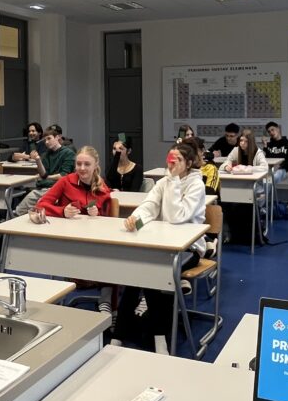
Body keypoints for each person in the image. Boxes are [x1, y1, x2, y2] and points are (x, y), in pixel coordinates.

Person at [110, 143, 207, 355]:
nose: (172, 163)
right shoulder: (164, 182)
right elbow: (149, 206)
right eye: (171, 158)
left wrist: (174, 180)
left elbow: (176, 217)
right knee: (137, 273)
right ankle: (123, 335)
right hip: (162, 245)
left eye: (178, 160)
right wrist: (135, 219)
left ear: (189, 163)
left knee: (151, 273)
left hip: (188, 248)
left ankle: (154, 336)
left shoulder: (196, 185)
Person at [28, 147, 116, 315]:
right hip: (69, 241)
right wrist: (62, 211)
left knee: (113, 257)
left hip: (94, 241)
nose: (82, 168)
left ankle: (106, 302)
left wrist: (97, 213)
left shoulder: (102, 187)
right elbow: (41, 204)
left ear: (96, 165)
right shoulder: (66, 181)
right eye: (78, 164)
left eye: (87, 164)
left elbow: (108, 219)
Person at [14, 125, 76, 217]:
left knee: (39, 209)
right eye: (45, 140)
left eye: (49, 139)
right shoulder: (46, 154)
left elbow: (63, 176)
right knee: (19, 211)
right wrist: (38, 160)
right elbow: (43, 174)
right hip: (42, 188)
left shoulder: (68, 153)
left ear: (57, 137)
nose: (46, 142)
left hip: (56, 189)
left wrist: (47, 177)